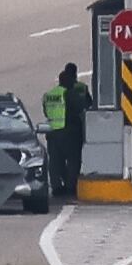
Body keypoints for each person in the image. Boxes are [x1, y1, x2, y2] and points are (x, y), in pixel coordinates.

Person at [46, 61, 83, 197]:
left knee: (55, 161)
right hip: (69, 132)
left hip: (52, 132)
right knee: (73, 160)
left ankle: (56, 186)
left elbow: (46, 111)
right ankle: (70, 186)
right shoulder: (70, 93)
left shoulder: (49, 94)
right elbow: (81, 107)